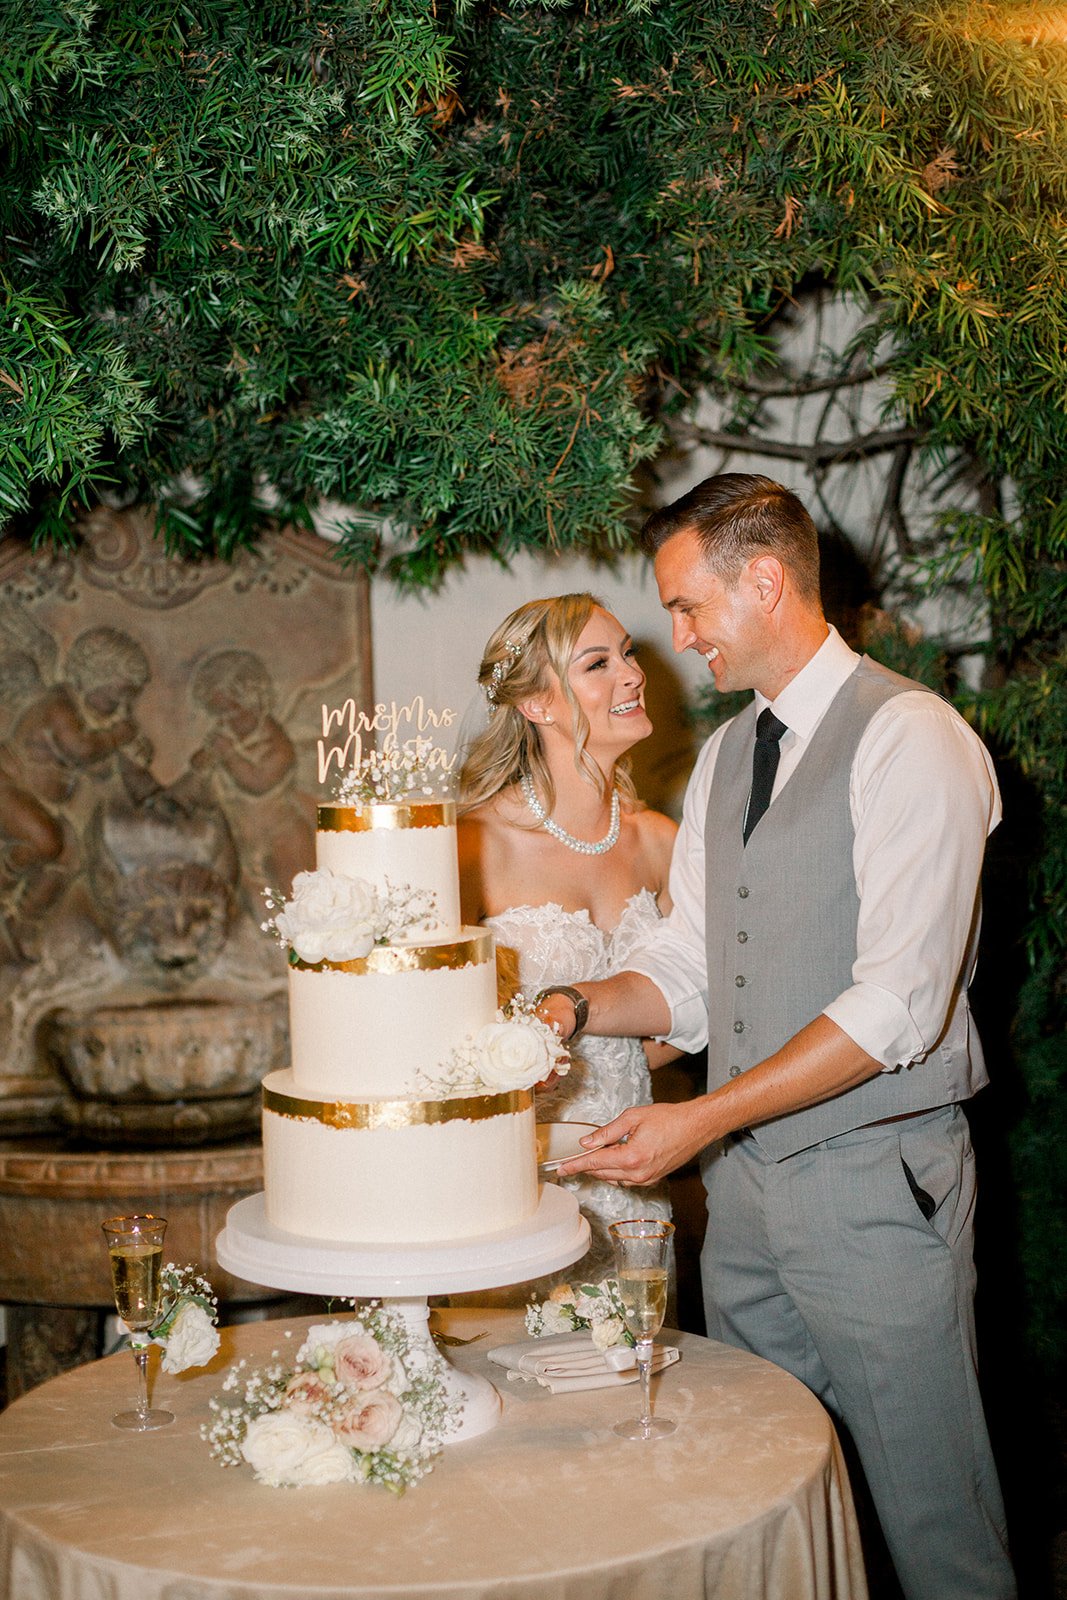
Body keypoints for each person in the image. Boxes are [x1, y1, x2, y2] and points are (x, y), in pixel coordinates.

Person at [541, 476, 1015, 1600]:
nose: (678, 637)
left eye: (687, 606)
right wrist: (566, 1008)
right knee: (772, 1514)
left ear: (763, 580)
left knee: (935, 1523)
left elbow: (893, 1005)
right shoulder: (722, 757)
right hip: (741, 1203)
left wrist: (695, 1118)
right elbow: (693, 971)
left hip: (871, 1190)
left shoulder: (913, 739)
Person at [457, 593, 680, 1288]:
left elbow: (693, 1002)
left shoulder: (662, 843)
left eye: (628, 654)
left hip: (631, 1180)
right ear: (536, 704)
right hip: (509, 1179)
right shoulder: (472, 844)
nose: (631, 673)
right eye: (596, 663)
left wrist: (617, 1075)